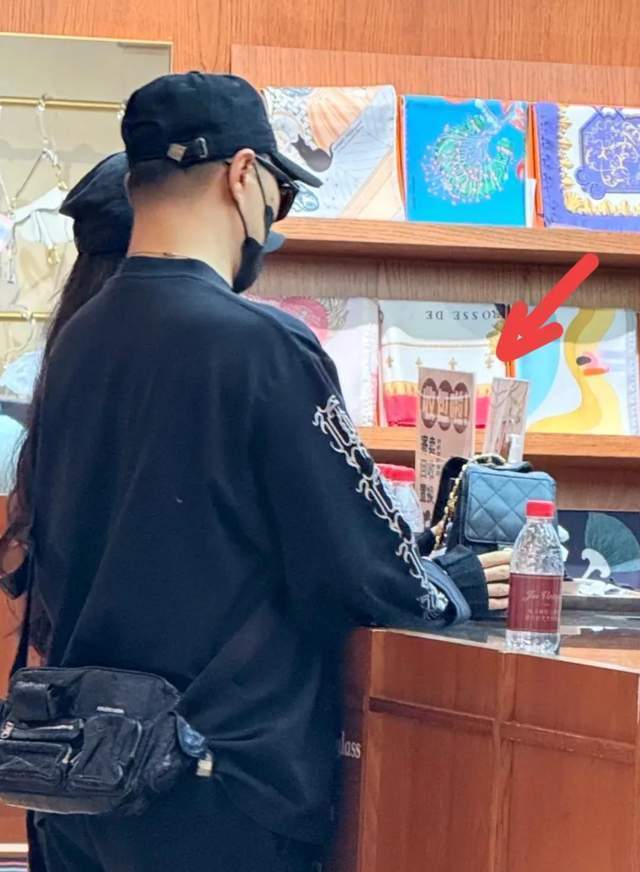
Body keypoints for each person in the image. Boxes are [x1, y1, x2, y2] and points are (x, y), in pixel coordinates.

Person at [0, 74, 509, 872]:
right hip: (215, 781)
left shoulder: (76, 345)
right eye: (281, 191)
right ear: (243, 175)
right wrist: (451, 585)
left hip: (87, 779)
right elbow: (362, 566)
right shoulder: (262, 346)